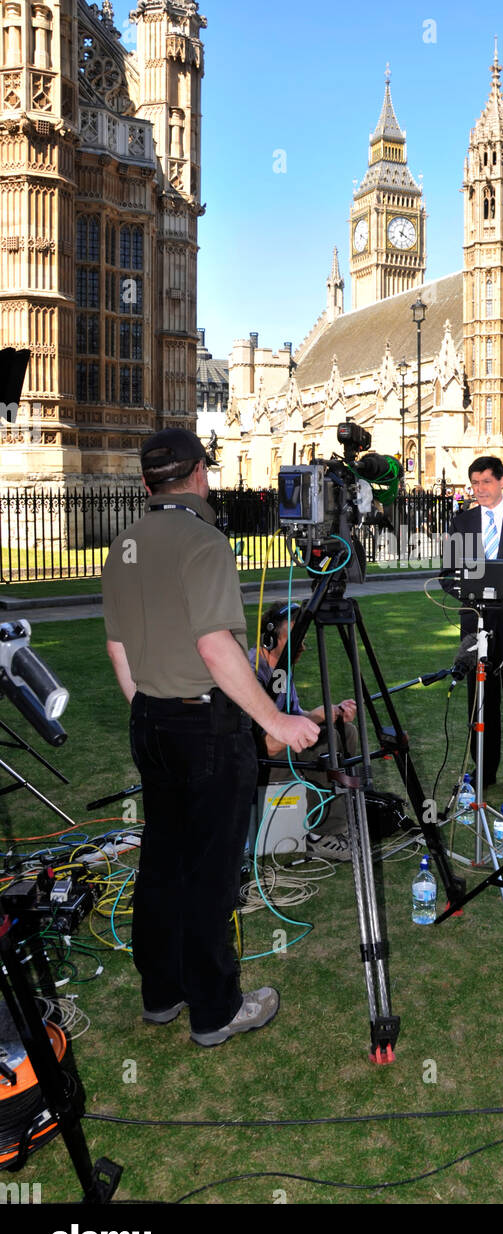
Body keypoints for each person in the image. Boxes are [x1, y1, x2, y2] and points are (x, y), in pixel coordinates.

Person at [101, 429, 319, 1048]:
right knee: (209, 871)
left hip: (151, 719)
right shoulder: (204, 542)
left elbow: (118, 648)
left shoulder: (124, 545)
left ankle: (162, 992)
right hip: (203, 726)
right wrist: (275, 721)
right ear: (200, 474)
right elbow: (216, 647)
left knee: (164, 858)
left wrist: (149, 706)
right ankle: (215, 1009)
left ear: (147, 484)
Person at [445, 455, 503, 800]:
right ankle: (482, 771)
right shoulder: (463, 522)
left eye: (486, 482)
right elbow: (448, 574)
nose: (480, 489)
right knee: (481, 704)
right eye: (475, 483)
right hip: (477, 627)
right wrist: (469, 592)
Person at [249, 602, 359, 859]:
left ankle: (341, 813)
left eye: (303, 638)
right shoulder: (253, 672)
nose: (301, 646)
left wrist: (328, 714)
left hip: (277, 748)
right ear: (269, 638)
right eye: (294, 638)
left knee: (346, 732)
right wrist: (317, 718)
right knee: (322, 749)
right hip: (258, 760)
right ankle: (320, 835)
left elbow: (291, 717)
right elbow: (263, 744)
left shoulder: (281, 667)